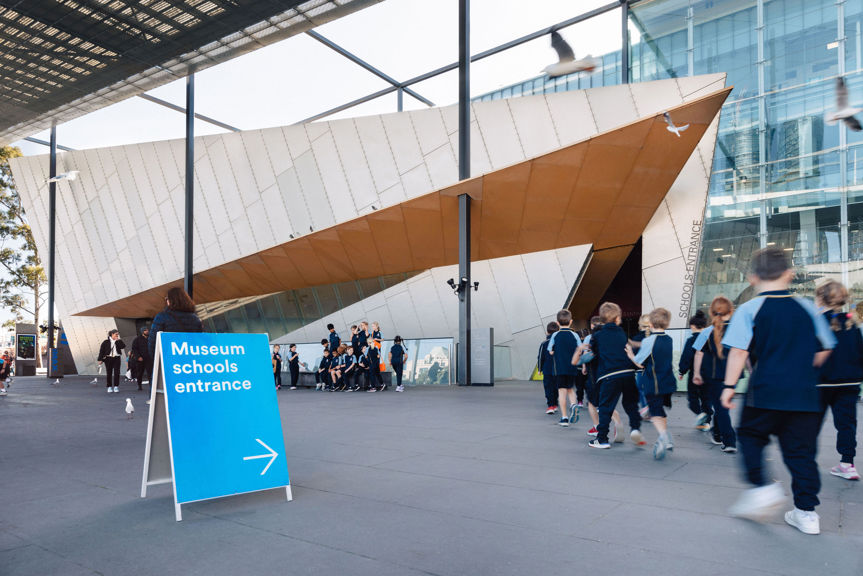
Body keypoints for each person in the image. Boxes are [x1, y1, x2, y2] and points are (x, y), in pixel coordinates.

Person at [723, 246, 835, 535]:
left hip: (765, 390)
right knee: (801, 453)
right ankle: (807, 513)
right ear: (790, 274)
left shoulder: (749, 309)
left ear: (752, 278)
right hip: (805, 394)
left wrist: (728, 387)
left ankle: (762, 488)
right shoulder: (809, 307)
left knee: (750, 435)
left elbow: (738, 353)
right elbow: (824, 350)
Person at [815, 281, 862, 481]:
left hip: (821, 383)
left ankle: (806, 460)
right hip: (849, 384)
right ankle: (847, 464)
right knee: (847, 425)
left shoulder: (816, 323)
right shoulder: (853, 324)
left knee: (810, 423)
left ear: (820, 299)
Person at [584, 302, 643, 449]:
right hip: (628, 373)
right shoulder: (621, 332)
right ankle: (635, 428)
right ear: (617, 319)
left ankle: (602, 439)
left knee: (605, 407)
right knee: (631, 404)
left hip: (609, 375)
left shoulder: (597, 336)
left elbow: (594, 354)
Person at [627, 308, 676, 460]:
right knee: (660, 410)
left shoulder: (649, 341)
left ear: (651, 323)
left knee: (655, 413)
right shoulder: (669, 339)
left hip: (653, 382)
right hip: (667, 381)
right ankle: (666, 438)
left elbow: (640, 364)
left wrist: (629, 353)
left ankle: (663, 437)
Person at [693, 296, 737, 453]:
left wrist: (696, 373)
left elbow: (698, 353)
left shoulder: (706, 332)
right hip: (733, 374)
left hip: (714, 376)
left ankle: (729, 440)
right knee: (722, 407)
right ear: (731, 311)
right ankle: (719, 434)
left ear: (711, 313)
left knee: (721, 409)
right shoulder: (738, 329)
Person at [577, 316, 623, 441]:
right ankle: (617, 422)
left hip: (594, 375)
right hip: (610, 373)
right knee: (606, 402)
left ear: (592, 326)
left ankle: (597, 427)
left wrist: (584, 366)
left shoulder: (590, 338)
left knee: (593, 402)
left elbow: (586, 356)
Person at [147, 287, 204, 374]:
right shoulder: (195, 319)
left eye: (167, 299)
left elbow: (153, 343)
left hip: (170, 362)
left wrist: (158, 362)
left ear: (170, 300)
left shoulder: (162, 317)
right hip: (191, 362)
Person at [679, 310, 711, 430]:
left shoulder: (691, 340)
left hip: (695, 373)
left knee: (693, 398)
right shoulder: (710, 338)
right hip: (708, 373)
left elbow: (686, 357)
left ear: (692, 326)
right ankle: (707, 421)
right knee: (706, 398)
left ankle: (700, 414)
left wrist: (682, 371)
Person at [549, 309, 582, 427]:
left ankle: (564, 418)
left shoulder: (555, 335)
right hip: (572, 367)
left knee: (561, 392)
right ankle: (573, 405)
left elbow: (550, 351)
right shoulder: (575, 335)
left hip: (559, 368)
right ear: (571, 321)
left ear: (557, 323)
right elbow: (580, 349)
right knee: (570, 389)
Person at [537, 321, 559, 414]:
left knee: (548, 387)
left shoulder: (544, 343)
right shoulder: (559, 343)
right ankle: (555, 404)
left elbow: (540, 357)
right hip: (558, 370)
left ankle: (550, 406)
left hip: (547, 369)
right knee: (556, 387)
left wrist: (539, 369)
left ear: (547, 332)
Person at [98, 329, 126, 393]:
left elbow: (123, 346)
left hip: (117, 358)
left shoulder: (118, 341)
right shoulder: (106, 342)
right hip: (108, 358)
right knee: (109, 373)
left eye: (117, 334)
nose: (117, 335)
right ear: (112, 334)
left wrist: (118, 340)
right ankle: (109, 387)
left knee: (117, 372)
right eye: (116, 334)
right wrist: (100, 359)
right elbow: (101, 351)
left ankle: (116, 386)